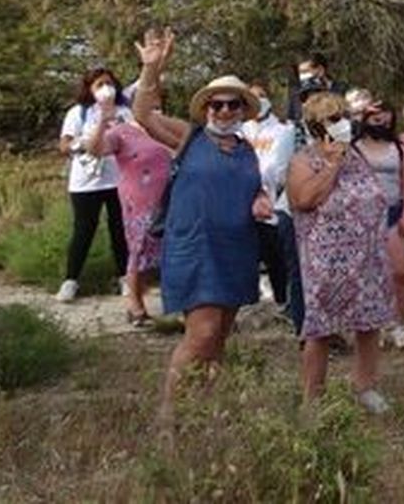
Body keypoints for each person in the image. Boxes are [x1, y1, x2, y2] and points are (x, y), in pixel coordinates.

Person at [129, 29, 270, 423]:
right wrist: (151, 70)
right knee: (201, 334)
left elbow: (252, 190)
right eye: (217, 105)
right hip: (196, 248)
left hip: (236, 249)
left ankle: (203, 413)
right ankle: (169, 419)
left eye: (232, 105)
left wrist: (260, 200)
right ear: (206, 108)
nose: (224, 111)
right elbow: (143, 115)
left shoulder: (246, 151)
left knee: (220, 338)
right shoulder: (190, 137)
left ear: (243, 110)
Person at [285, 93, 396, 412]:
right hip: (326, 260)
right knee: (321, 327)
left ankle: (365, 386)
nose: (344, 123)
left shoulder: (357, 156)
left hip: (367, 257)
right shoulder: (304, 160)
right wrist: (332, 164)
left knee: (368, 322)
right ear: (316, 126)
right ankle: (312, 398)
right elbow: (303, 199)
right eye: (334, 119)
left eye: (345, 116)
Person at [84, 90, 168, 326]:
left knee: (171, 251)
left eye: (157, 102)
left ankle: (174, 302)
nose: (154, 106)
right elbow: (96, 149)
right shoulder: (122, 131)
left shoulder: (164, 130)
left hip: (169, 200)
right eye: (148, 103)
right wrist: (102, 121)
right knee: (139, 250)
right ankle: (135, 303)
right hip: (139, 202)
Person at [55, 67, 131, 303]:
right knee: (83, 229)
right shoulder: (78, 113)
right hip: (86, 183)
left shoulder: (124, 112)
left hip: (118, 179)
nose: (106, 88)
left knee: (120, 229)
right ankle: (71, 280)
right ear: (89, 89)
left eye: (109, 83)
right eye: (99, 84)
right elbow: (64, 146)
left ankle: (125, 277)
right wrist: (82, 144)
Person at [350, 91, 404, 349]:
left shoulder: (399, 150)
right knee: (366, 274)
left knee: (399, 273)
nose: (381, 123)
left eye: (385, 120)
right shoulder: (353, 149)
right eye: (375, 118)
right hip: (361, 218)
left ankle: (399, 324)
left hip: (392, 213)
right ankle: (369, 325)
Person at [242, 82, 294, 314]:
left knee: (276, 256)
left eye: (262, 95)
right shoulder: (241, 130)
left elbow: (281, 169)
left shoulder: (284, 131)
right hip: (243, 202)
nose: (258, 100)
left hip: (272, 202)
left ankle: (283, 301)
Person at [286, 53, 346, 122]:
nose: (302, 76)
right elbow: (292, 120)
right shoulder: (296, 96)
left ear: (321, 70)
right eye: (300, 73)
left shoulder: (342, 90)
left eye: (305, 71)